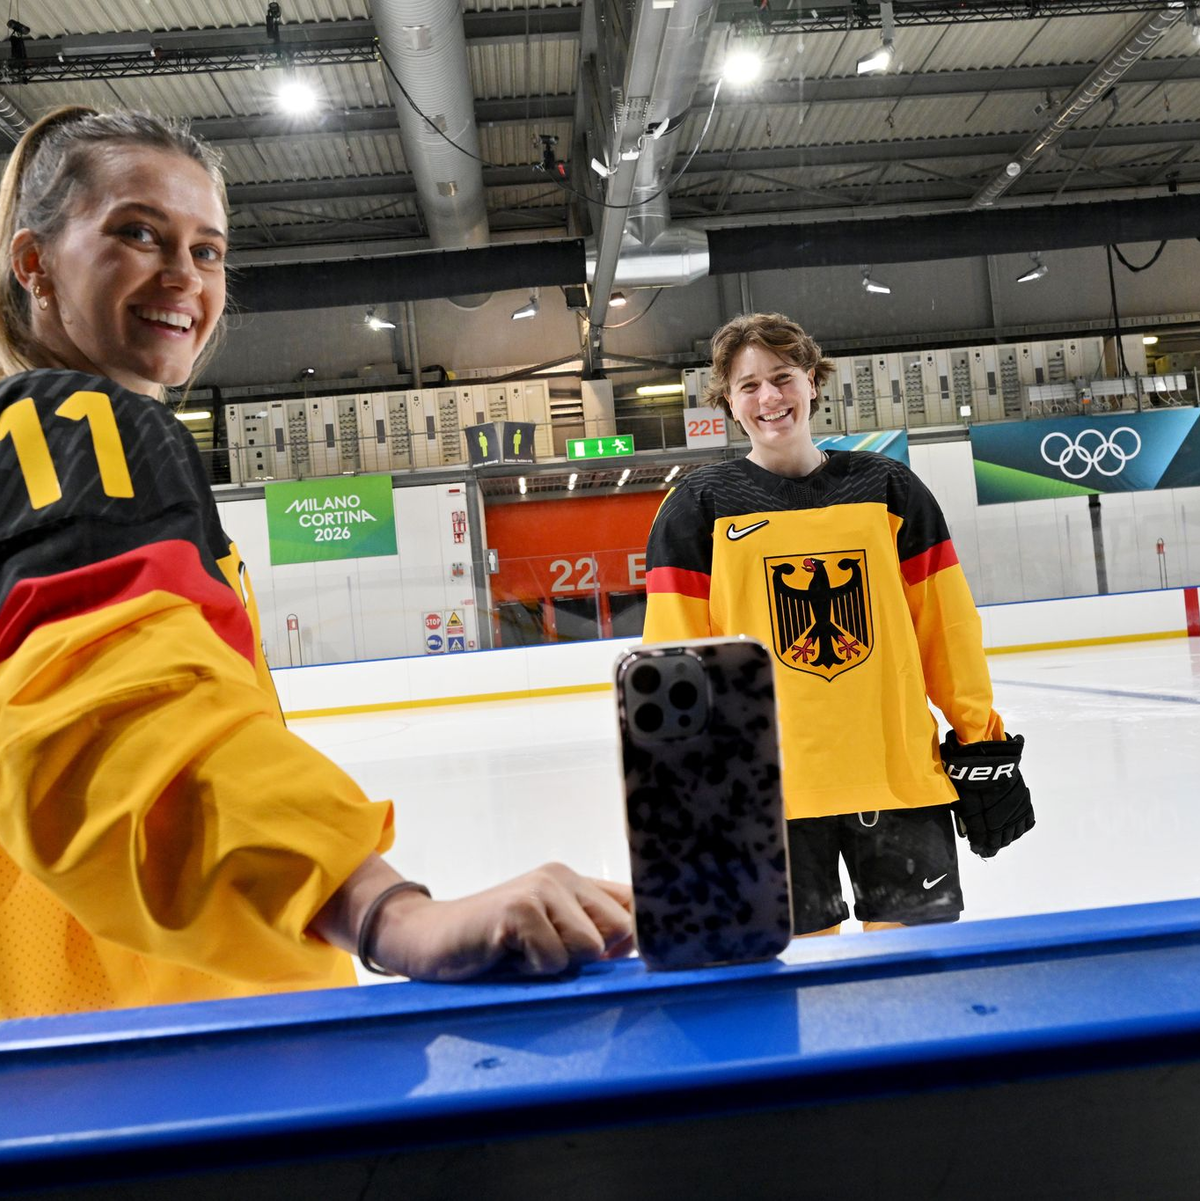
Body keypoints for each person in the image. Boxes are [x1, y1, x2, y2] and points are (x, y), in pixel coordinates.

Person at [0, 106, 631, 1020]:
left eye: (208, 250)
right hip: (149, 1035)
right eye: (138, 233)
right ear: (33, 263)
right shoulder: (76, 430)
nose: (183, 276)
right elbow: (115, 724)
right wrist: (387, 911)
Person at [642, 312, 1033, 936]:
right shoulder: (698, 506)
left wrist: (980, 740)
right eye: (748, 386)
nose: (770, 398)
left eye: (783, 376)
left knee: (917, 990)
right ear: (729, 403)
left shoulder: (887, 488)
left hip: (899, 779)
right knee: (804, 1000)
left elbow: (947, 630)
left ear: (814, 383)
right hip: (766, 798)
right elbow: (673, 658)